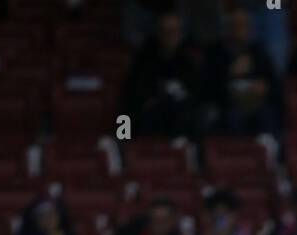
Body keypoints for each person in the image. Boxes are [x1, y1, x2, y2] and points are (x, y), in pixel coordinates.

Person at [202, 4, 284, 137]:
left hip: (257, 104)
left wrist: (264, 87)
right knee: (232, 117)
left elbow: (275, 85)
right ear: (227, 28)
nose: (238, 30)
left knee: (268, 116)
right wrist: (229, 73)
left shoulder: (259, 52)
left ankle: (269, 152)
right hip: (227, 105)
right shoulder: (215, 53)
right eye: (234, 26)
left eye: (243, 25)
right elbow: (206, 90)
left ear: (250, 28)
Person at [121, 9, 203, 139]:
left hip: (181, 119)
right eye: (167, 32)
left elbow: (195, 94)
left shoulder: (188, 62)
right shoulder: (143, 60)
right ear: (158, 33)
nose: (171, 36)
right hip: (150, 118)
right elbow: (132, 96)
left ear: (181, 34)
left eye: (175, 32)